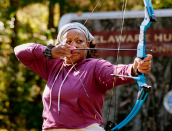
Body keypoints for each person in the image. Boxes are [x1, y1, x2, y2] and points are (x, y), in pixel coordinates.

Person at [14, 22, 152, 131]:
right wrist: (48, 51)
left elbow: (114, 72)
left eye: (79, 41)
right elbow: (19, 51)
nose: (73, 45)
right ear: (59, 45)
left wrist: (135, 69)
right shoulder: (52, 67)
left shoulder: (95, 66)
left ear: (87, 45)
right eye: (68, 41)